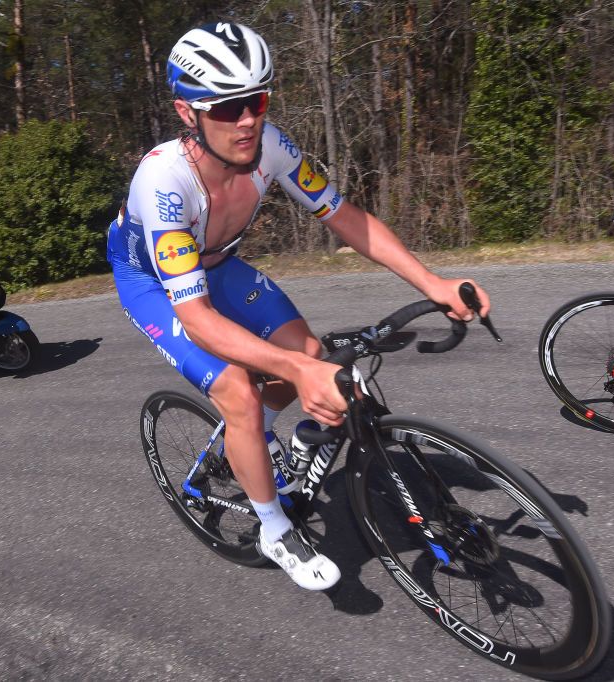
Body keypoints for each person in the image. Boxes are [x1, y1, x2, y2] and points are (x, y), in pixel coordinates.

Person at [106, 22, 490, 591]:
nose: (247, 120)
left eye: (257, 100)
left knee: (307, 351)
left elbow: (346, 218)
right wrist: (301, 372)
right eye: (228, 107)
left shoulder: (274, 147)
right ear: (187, 113)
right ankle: (271, 526)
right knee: (238, 387)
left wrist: (431, 282)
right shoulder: (164, 182)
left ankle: (250, 439)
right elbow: (198, 319)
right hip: (152, 283)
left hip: (214, 263)